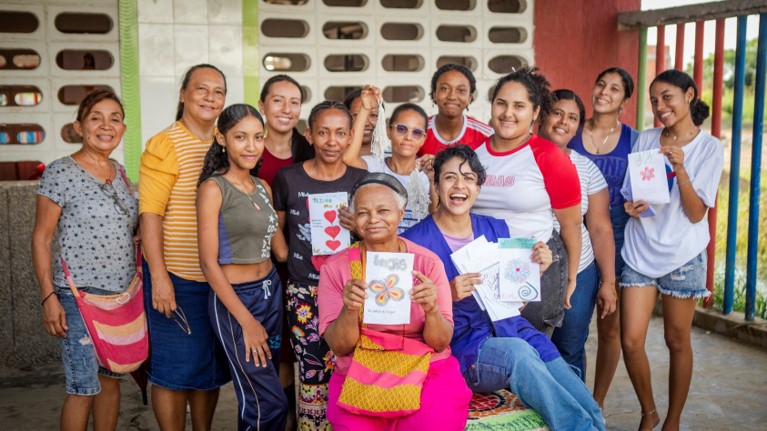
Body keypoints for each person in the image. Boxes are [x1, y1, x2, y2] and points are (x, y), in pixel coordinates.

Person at [402, 145, 604, 431]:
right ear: (435, 184)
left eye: (469, 178)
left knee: (587, 404)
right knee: (518, 354)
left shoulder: (497, 229)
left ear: (479, 188)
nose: (459, 186)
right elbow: (407, 321)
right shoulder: (414, 243)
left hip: (513, 329)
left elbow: (515, 302)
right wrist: (446, 294)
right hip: (466, 346)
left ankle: (591, 424)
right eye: (449, 178)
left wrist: (535, 269)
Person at [319, 172, 472, 431]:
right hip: (361, 368)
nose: (374, 219)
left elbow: (440, 342)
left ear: (401, 214)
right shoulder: (336, 268)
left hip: (425, 367)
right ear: (354, 219)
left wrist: (432, 309)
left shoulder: (427, 263)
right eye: (363, 212)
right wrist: (349, 309)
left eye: (383, 210)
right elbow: (339, 346)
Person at [621, 70, 723, 431]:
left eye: (667, 97)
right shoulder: (646, 139)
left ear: (689, 95)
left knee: (676, 340)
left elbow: (697, 213)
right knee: (631, 340)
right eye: (654, 101)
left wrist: (680, 167)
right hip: (639, 251)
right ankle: (649, 413)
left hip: (683, 255)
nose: (660, 106)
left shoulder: (710, 148)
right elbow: (632, 193)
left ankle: (673, 422)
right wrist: (631, 205)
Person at [32, 89, 138, 431]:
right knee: (83, 386)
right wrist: (49, 297)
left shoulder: (119, 172)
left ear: (123, 129)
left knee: (111, 380)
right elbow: (41, 237)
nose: (106, 126)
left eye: (115, 119)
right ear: (79, 127)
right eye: (96, 118)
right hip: (78, 296)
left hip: (119, 297)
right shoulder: (61, 172)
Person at [139, 63, 230, 430]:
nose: (210, 98)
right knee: (172, 370)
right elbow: (150, 216)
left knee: (208, 367)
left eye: (218, 91)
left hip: (218, 278)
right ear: (183, 95)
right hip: (175, 276)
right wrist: (159, 277)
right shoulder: (165, 144)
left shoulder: (226, 141)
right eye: (201, 89)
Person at [272, 101, 368, 430]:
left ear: (351, 136)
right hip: (304, 291)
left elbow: (377, 235)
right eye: (323, 132)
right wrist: (286, 257)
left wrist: (357, 224)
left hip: (351, 291)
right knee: (312, 372)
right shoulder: (288, 179)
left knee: (351, 367)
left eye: (340, 133)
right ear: (309, 135)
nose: (331, 141)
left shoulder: (361, 179)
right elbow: (276, 228)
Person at [196, 104, 289, 430]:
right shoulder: (213, 189)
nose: (251, 146)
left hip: (270, 294)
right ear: (221, 138)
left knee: (260, 392)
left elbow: (280, 251)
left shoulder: (263, 187)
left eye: (257, 137)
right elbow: (208, 263)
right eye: (240, 137)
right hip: (237, 302)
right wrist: (247, 321)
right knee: (269, 401)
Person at [471, 67, 582, 336]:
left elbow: (571, 225)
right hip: (483, 270)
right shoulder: (474, 156)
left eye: (519, 106)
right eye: (501, 103)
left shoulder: (550, 157)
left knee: (530, 353)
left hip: (537, 265)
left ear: (534, 113)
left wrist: (571, 277)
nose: (508, 113)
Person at [568, 67, 639, 407]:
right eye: (600, 84)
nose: (604, 92)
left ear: (625, 100)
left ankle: (595, 402)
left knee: (609, 327)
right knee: (571, 326)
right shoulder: (570, 130)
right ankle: (569, 396)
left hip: (619, 238)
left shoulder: (635, 140)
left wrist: (642, 204)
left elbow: (651, 188)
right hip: (574, 234)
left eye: (614, 88)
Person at [538, 89, 617, 380]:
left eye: (572, 118)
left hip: (579, 268)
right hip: (530, 265)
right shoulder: (522, 159)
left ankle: (574, 420)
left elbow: (599, 227)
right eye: (557, 112)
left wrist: (607, 282)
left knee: (570, 348)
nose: (563, 122)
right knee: (530, 347)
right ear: (542, 114)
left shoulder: (586, 168)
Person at [343, 85, 434, 232]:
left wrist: (432, 180)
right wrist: (365, 109)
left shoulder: (428, 175)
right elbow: (349, 158)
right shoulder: (374, 165)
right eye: (401, 129)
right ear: (389, 131)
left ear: (424, 139)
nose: (408, 137)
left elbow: (435, 217)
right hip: (378, 249)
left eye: (417, 132)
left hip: (414, 250)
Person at [417, 63, 493, 156]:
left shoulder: (486, 135)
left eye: (461, 90)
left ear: (469, 98)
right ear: (434, 94)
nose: (452, 96)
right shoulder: (418, 131)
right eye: (445, 88)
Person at [255, 74, 314, 186]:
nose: (286, 109)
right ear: (262, 106)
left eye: (294, 102)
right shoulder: (249, 151)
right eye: (278, 100)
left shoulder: (312, 151)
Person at [343, 88, 378, 156]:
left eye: (373, 115)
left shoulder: (391, 157)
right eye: (358, 115)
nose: (366, 123)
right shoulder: (335, 157)